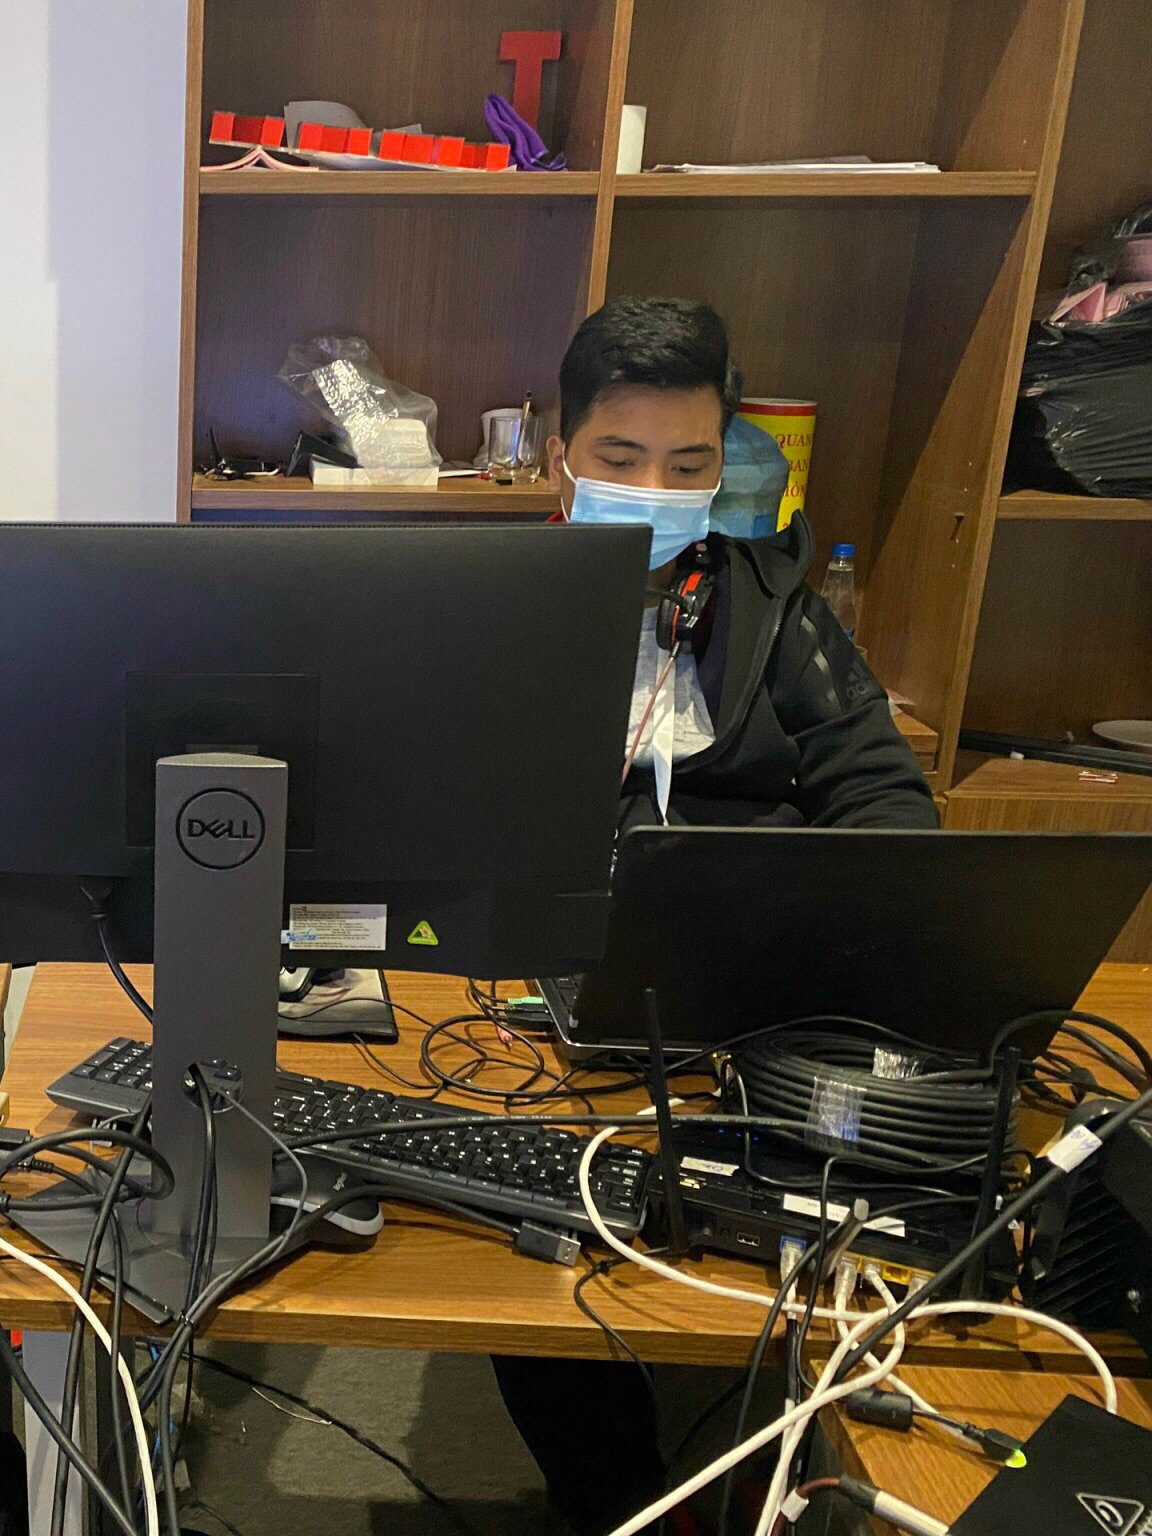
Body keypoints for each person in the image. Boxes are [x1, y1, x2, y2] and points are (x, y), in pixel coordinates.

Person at [489, 298, 939, 1535]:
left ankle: (791, 1471)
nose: (654, 490)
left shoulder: (774, 606)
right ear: (558, 455)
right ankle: (625, 1505)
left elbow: (887, 806)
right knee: (532, 1239)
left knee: (868, 1219)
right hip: (528, 1002)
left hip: (752, 996)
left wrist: (804, 910)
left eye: (686, 465)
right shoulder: (484, 601)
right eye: (620, 458)